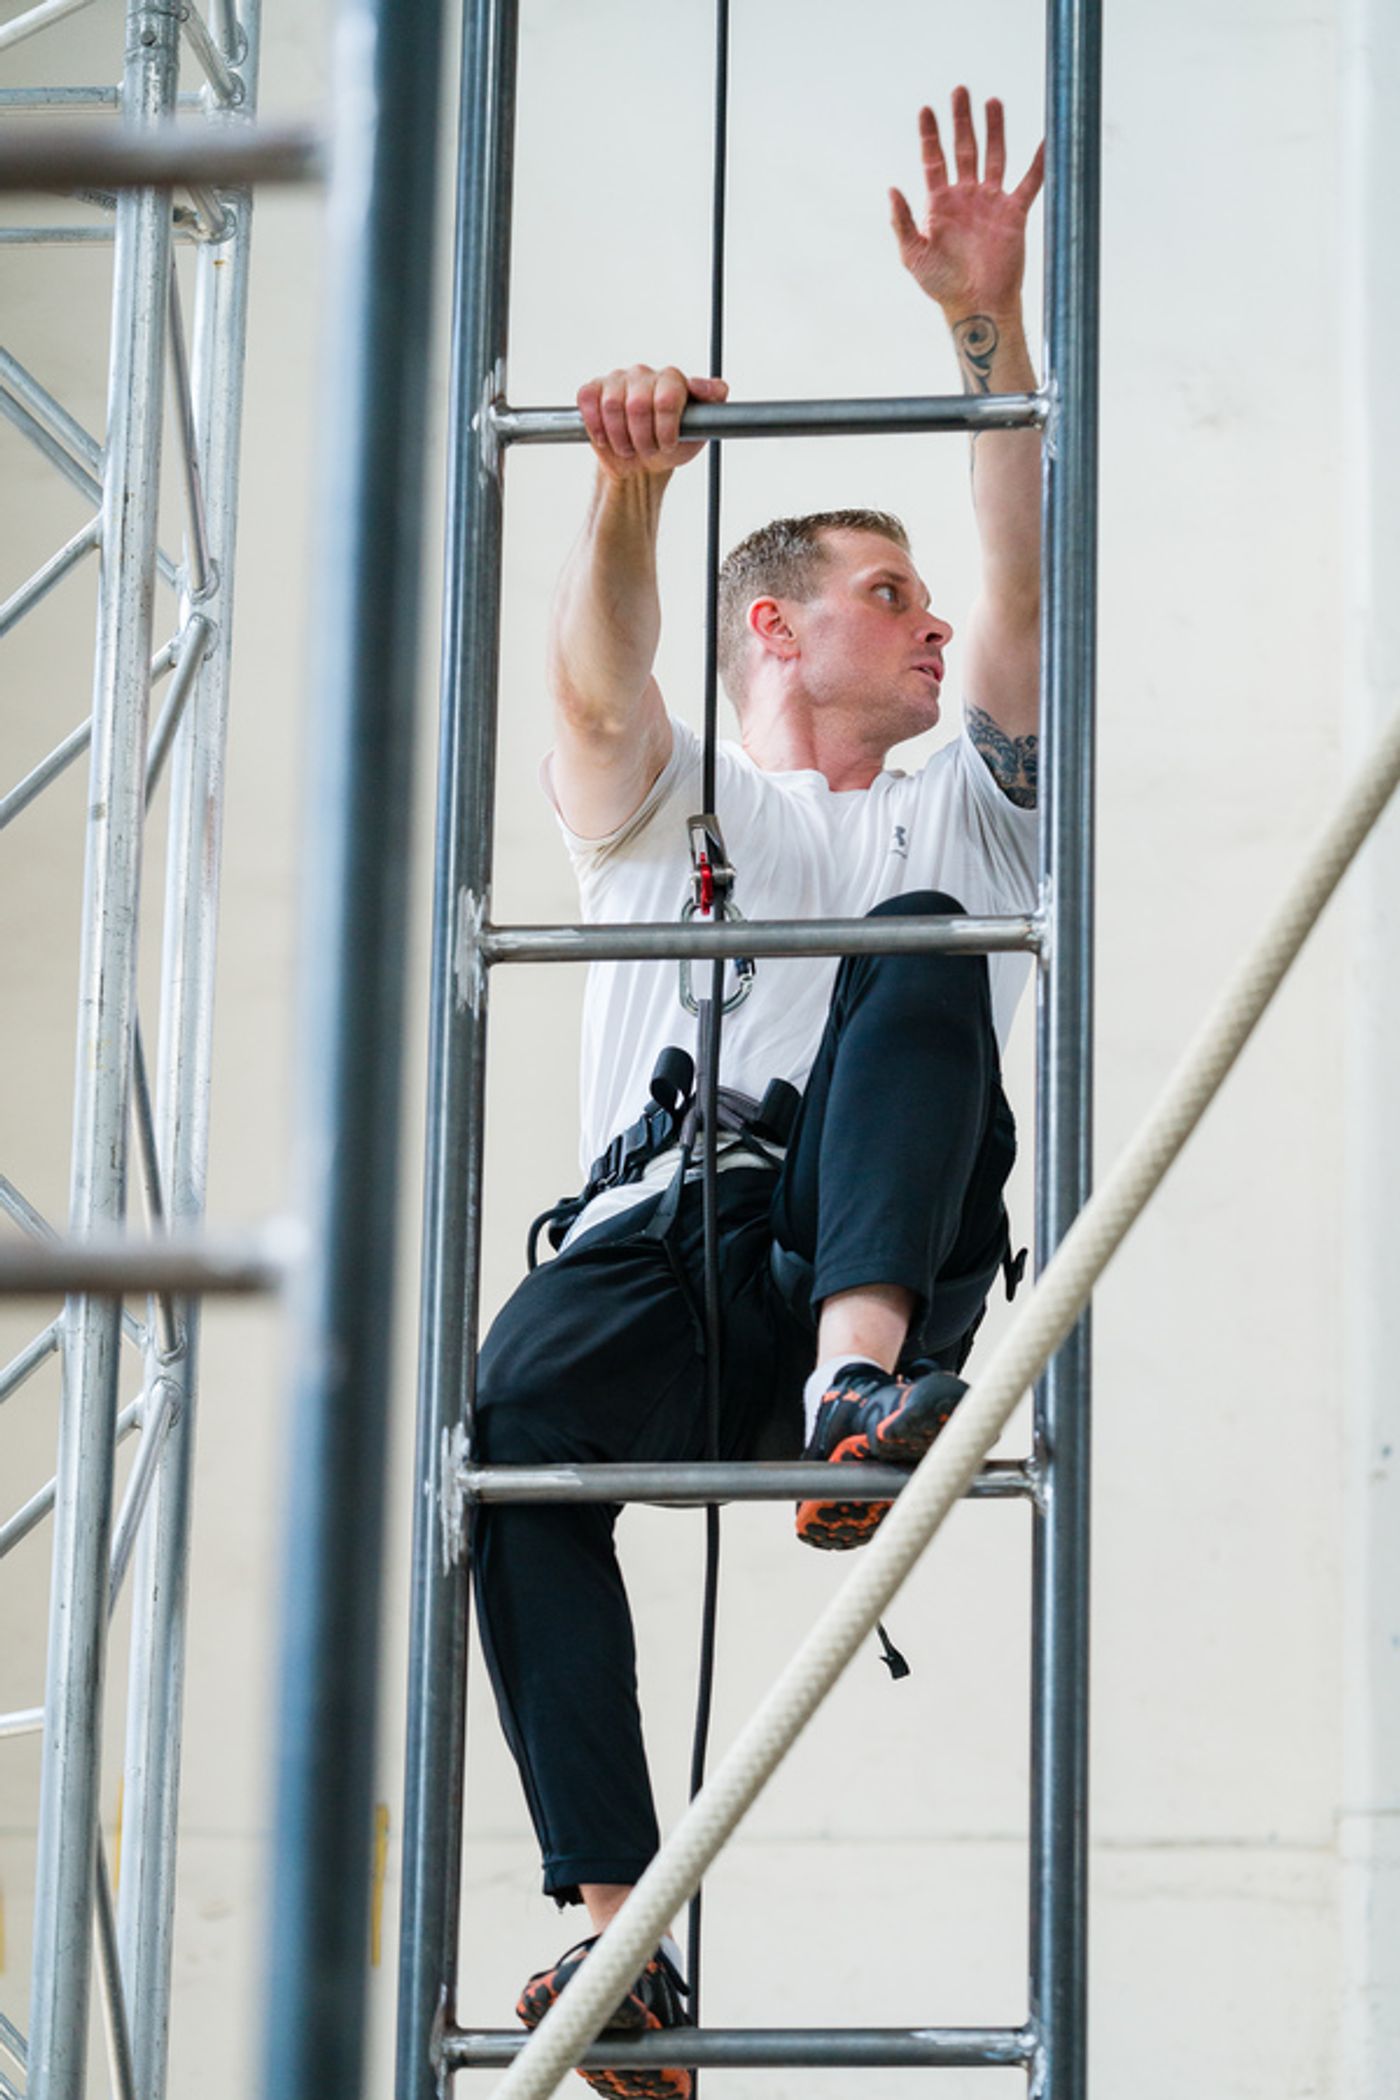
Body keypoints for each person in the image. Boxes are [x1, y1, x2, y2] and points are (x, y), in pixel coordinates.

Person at [475, 89, 1045, 2100]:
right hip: (673, 1246)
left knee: (920, 937)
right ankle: (612, 1938)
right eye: (891, 602)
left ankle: (856, 1387)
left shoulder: (951, 816)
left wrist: (987, 334)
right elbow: (594, 680)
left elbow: (1016, 547)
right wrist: (623, 490)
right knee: (511, 1420)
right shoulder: (671, 820)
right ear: (779, 628)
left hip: (853, 1263)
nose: (938, 625)